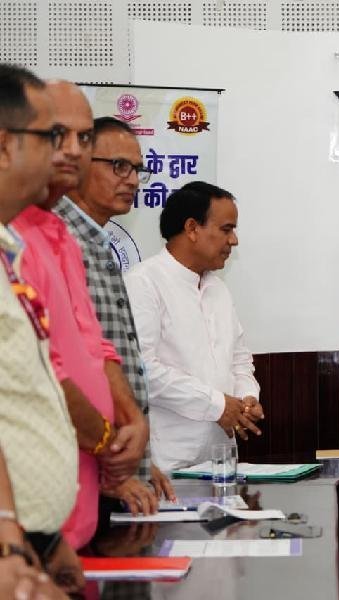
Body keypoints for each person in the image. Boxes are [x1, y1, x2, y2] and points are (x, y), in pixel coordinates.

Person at [11, 81, 151, 551]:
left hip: (73, 510)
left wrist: (133, 420)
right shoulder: (15, 236)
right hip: (30, 514)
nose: (72, 150)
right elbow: (42, 370)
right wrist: (111, 445)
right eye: (57, 134)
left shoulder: (60, 233)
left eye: (84, 137)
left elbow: (96, 346)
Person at [56, 113, 176, 503]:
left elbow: (109, 350)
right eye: (119, 166)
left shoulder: (97, 242)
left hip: (110, 463)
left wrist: (138, 462)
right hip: (79, 466)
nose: (133, 180)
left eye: (138, 169)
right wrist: (111, 463)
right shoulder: (59, 239)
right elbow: (65, 364)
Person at [0, 62, 79, 596]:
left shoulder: (10, 248)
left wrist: (46, 541)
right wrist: (7, 539)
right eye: (50, 136)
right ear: (6, 145)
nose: (63, 153)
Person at [125, 181, 263, 472]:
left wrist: (247, 398)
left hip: (222, 459)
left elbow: (239, 359)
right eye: (226, 229)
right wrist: (217, 405)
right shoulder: (143, 283)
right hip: (166, 463)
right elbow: (141, 369)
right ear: (192, 228)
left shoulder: (218, 289)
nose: (234, 240)